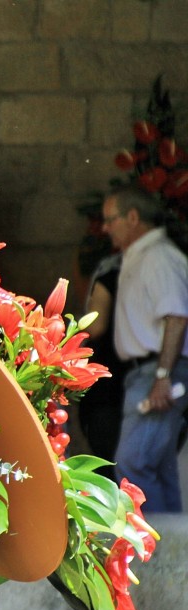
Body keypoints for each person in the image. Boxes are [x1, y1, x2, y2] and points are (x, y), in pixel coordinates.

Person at [102, 186, 188, 512]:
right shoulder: (144, 255)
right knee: (158, 466)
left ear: (133, 217)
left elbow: (177, 316)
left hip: (158, 372)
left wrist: (163, 376)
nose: (106, 228)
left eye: (111, 220)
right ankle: (174, 556)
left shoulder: (158, 256)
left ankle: (157, 556)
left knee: (134, 464)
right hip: (149, 372)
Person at [78, 252, 125, 481]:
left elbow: (94, 326)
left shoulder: (109, 280)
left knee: (107, 456)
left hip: (107, 388)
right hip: (126, 379)